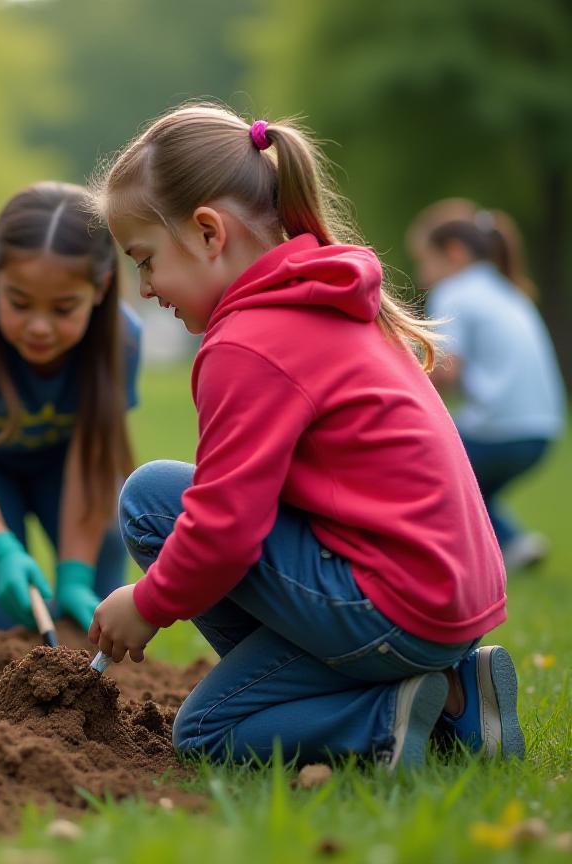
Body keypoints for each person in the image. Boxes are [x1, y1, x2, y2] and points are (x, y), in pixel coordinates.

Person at [90, 105, 521, 769]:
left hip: (399, 607)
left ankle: (383, 716)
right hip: (443, 596)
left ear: (208, 232)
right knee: (152, 496)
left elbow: (226, 528)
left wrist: (147, 603)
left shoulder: (248, 343)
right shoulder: (322, 295)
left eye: (146, 262)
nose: (146, 290)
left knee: (204, 733)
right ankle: (456, 695)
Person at [0, 181, 142, 631]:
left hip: (71, 467)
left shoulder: (122, 340)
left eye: (64, 309)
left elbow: (94, 461)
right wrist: (2, 552)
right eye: (19, 303)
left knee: (97, 622)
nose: (39, 327)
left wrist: (76, 572)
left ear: (101, 286)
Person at [407, 202, 566, 571]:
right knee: (472, 487)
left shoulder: (456, 292)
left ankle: (429, 558)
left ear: (454, 253)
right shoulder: (508, 291)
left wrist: (405, 398)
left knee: (423, 466)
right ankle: (515, 542)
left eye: (425, 261)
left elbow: (444, 370)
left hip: (501, 430)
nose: (422, 275)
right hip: (544, 430)